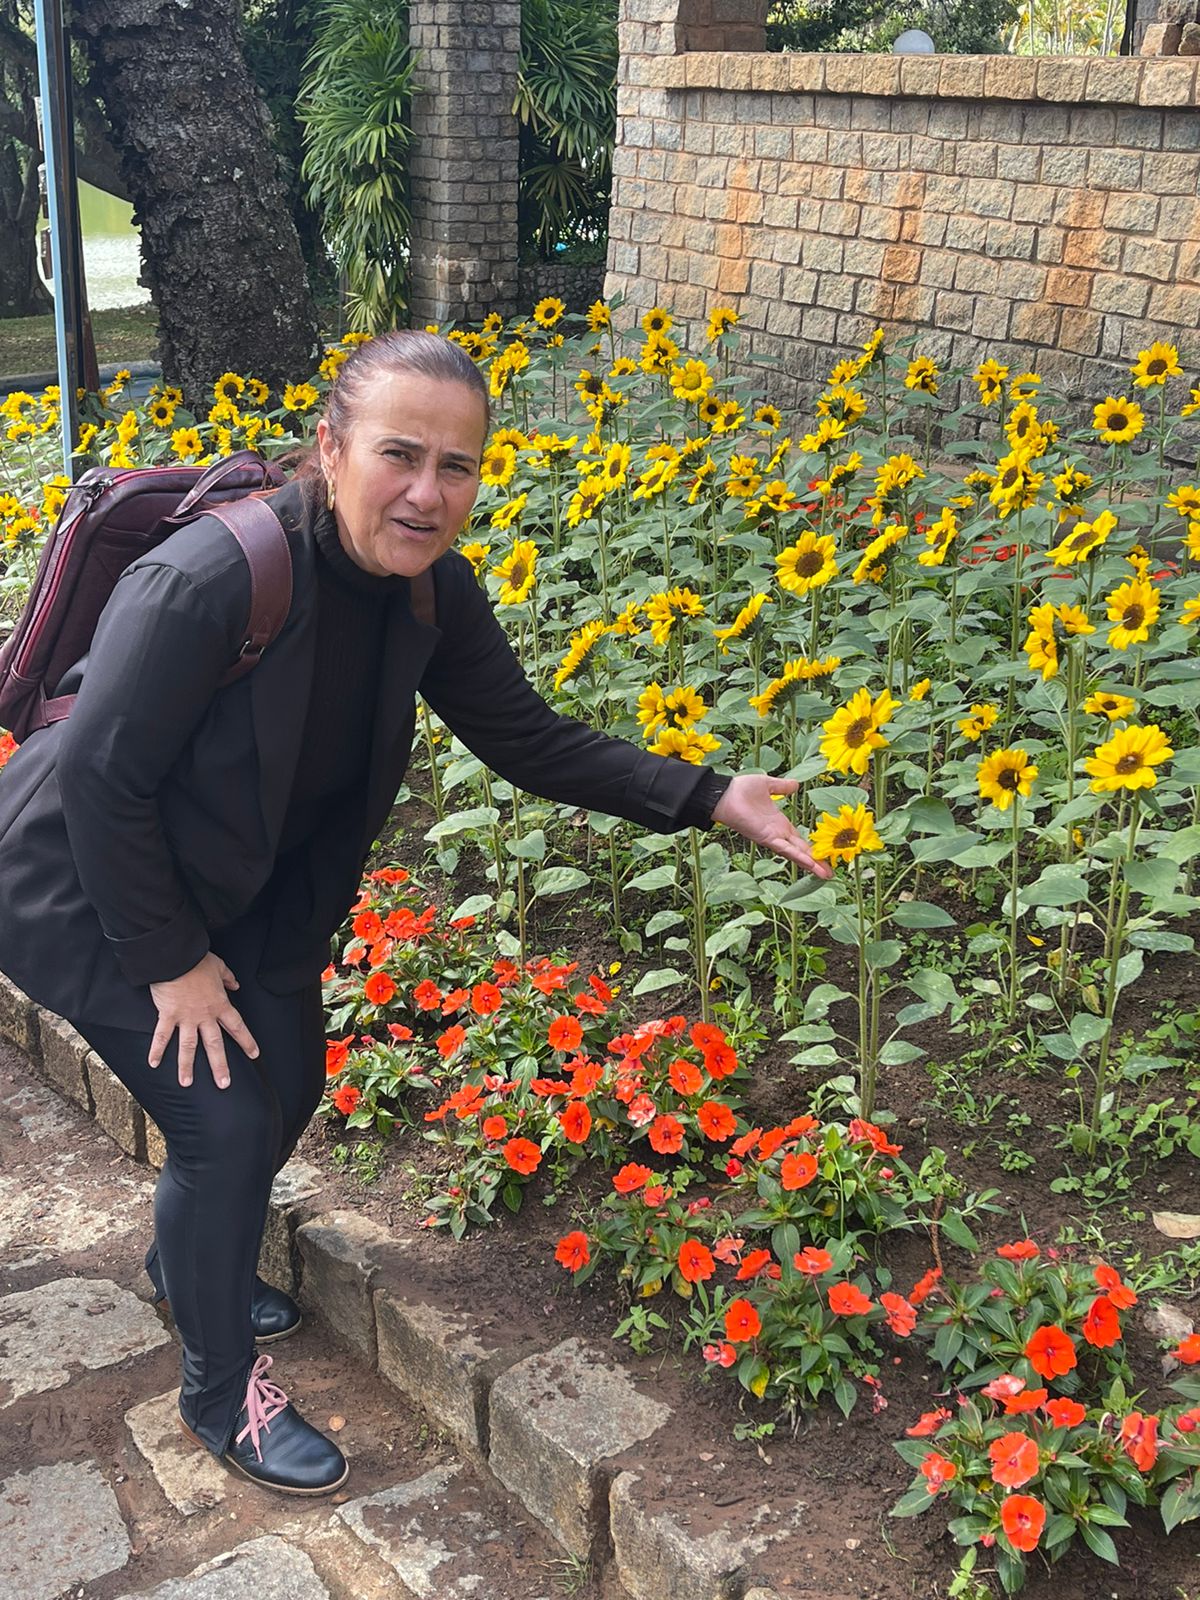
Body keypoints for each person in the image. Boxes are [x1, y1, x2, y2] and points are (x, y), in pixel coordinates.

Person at [0, 331, 830, 1495]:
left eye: (458, 465)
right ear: (331, 448)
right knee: (225, 1123)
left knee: (286, 1081)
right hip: (89, 879)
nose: (428, 492)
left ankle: (192, 1264)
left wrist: (708, 794)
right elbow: (99, 780)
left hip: (243, 878)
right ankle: (216, 1383)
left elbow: (526, 737)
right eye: (400, 454)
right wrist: (174, 962)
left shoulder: (427, 588)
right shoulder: (208, 579)